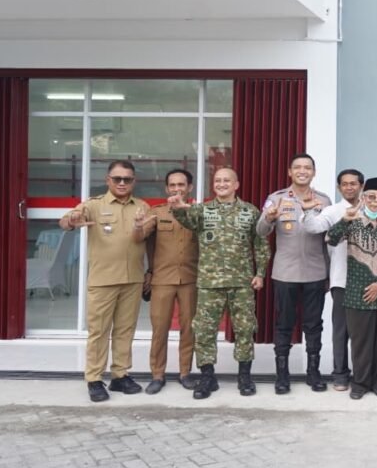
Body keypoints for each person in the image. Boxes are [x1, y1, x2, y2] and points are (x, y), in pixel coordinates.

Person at [170, 167, 270, 399]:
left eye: (227, 180)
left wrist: (260, 273)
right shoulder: (202, 210)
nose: (222, 184)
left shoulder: (250, 211)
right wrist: (178, 207)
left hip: (241, 283)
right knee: (204, 330)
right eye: (217, 181)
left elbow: (261, 244)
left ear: (236, 185)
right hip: (210, 282)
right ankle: (207, 377)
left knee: (245, 329)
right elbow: (185, 219)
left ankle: (244, 376)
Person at [59, 160, 150, 402]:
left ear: (133, 182)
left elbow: (143, 237)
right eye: (117, 178)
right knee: (99, 332)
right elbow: (68, 220)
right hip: (103, 280)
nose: (122, 183)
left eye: (127, 179)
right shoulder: (94, 205)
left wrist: (139, 227)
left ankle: (120, 375)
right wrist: (71, 220)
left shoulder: (142, 207)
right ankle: (94, 378)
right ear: (108, 180)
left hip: (132, 279)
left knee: (125, 330)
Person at [258, 153, 332, 394]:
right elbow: (261, 231)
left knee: (314, 325)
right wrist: (268, 218)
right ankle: (282, 375)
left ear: (314, 172)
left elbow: (328, 240)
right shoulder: (276, 199)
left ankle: (313, 372)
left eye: (307, 167)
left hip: (315, 272)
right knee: (284, 325)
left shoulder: (323, 200)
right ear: (290, 172)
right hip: (285, 273)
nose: (302, 171)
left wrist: (329, 273)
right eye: (298, 167)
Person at [326, 178, 377, 400]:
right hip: (355, 294)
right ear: (363, 198)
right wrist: (345, 219)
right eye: (371, 197)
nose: (375, 201)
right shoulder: (352, 223)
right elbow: (331, 239)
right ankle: (359, 384)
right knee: (360, 343)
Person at [304, 169, 364, 391]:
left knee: (363, 332)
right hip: (342, 279)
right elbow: (312, 227)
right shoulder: (332, 211)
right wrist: (308, 210)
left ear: (361, 186)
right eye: (345, 184)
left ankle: (364, 373)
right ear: (339, 188)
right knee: (341, 331)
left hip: (367, 282)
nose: (349, 187)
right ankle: (340, 374)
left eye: (353, 183)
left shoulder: (370, 209)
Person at [141, 168, 199, 394]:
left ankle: (185, 372)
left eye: (181, 185)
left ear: (189, 188)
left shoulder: (197, 213)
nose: (177, 189)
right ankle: (157, 374)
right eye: (172, 185)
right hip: (162, 280)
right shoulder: (156, 213)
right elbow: (140, 237)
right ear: (167, 188)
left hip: (190, 279)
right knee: (159, 329)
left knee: (189, 329)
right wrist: (138, 225)